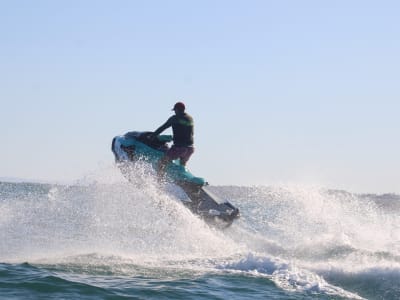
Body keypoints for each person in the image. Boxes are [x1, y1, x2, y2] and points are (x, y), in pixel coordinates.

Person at [151, 102, 194, 174]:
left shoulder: (175, 118)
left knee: (161, 163)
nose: (175, 112)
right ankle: (181, 178)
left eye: (175, 110)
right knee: (182, 166)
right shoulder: (190, 118)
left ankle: (159, 182)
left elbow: (163, 127)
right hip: (190, 149)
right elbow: (186, 132)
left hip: (179, 148)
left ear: (177, 110)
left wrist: (153, 135)